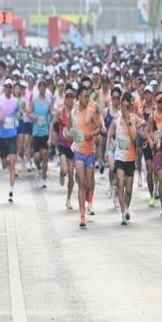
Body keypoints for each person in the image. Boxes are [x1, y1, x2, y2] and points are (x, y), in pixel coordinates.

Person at [106, 92, 146, 225]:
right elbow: (109, 134)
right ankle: (123, 212)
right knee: (120, 183)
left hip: (130, 159)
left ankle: (127, 208)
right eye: (123, 106)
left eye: (127, 107)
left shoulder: (133, 119)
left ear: (130, 107)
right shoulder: (116, 121)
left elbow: (136, 134)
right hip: (119, 158)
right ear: (120, 107)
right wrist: (108, 149)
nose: (125, 109)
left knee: (128, 190)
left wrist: (141, 124)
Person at [66, 84, 102, 227]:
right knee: (81, 182)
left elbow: (99, 127)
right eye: (85, 96)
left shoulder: (91, 112)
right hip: (79, 152)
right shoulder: (73, 112)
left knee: (89, 183)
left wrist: (91, 134)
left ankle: (89, 196)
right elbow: (68, 128)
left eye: (88, 96)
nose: (88, 99)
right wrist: (68, 134)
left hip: (90, 152)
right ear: (79, 97)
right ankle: (82, 216)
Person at [0, 78, 19, 203]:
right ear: (4, 87)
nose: (8, 88)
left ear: (12, 88)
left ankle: (11, 191)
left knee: (12, 162)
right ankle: (4, 163)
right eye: (6, 86)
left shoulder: (15, 101)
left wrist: (17, 120)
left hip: (12, 135)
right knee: (4, 165)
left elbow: (17, 114)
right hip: (2, 136)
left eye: (10, 86)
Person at [50, 84, 76, 209]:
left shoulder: (76, 112)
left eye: (71, 97)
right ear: (65, 98)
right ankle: (61, 174)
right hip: (62, 145)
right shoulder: (60, 112)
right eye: (67, 97)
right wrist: (50, 137)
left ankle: (68, 199)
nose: (69, 99)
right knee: (65, 171)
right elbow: (52, 124)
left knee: (71, 174)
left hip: (73, 146)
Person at [148, 91, 162, 216]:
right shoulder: (152, 116)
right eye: (159, 102)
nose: (161, 104)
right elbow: (147, 131)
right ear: (156, 102)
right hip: (157, 152)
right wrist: (151, 141)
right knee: (161, 179)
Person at [29, 79, 52, 188]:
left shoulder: (48, 102)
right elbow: (29, 112)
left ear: (45, 88)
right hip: (36, 132)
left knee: (45, 155)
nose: (42, 88)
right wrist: (33, 117)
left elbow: (52, 114)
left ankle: (44, 178)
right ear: (38, 88)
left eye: (44, 86)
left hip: (45, 132)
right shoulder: (34, 101)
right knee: (37, 157)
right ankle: (38, 167)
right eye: (40, 86)